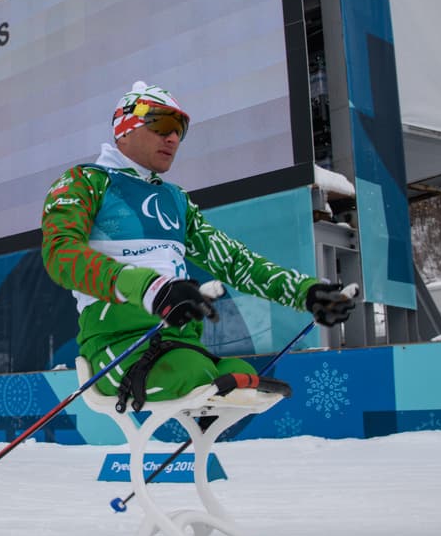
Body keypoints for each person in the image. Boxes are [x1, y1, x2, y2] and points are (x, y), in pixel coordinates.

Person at [41, 81, 357, 411]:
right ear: (125, 127)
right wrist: (151, 288)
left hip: (180, 343)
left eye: (180, 129)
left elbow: (234, 261)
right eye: (162, 124)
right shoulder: (85, 181)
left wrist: (305, 292)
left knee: (240, 374)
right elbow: (60, 253)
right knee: (191, 375)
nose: (173, 138)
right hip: (117, 344)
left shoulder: (175, 199)